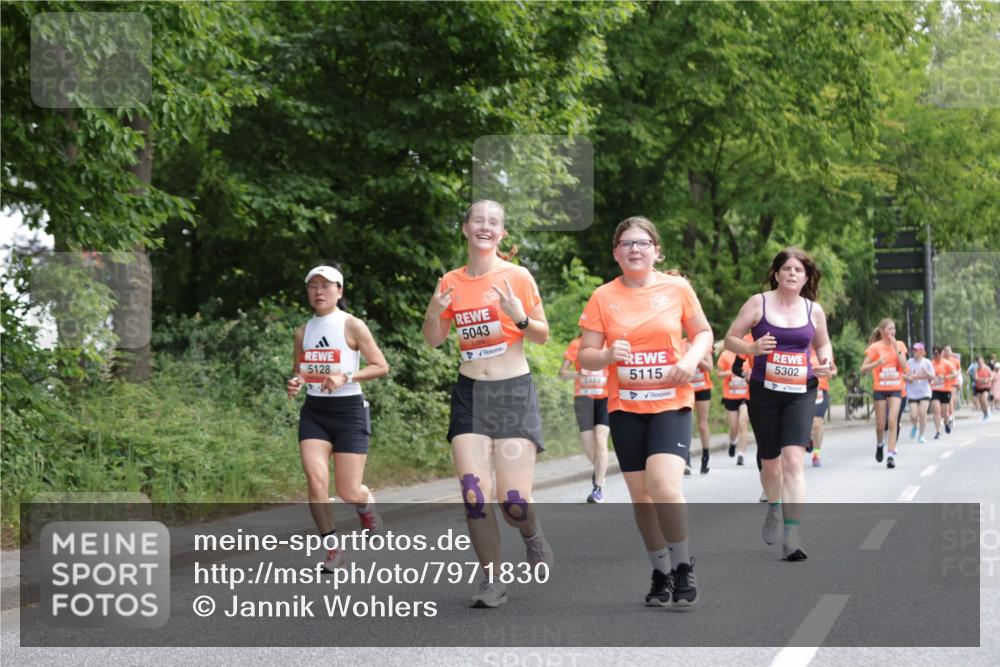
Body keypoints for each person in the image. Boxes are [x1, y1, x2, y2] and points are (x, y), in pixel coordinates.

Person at [422, 199, 552, 609]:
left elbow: (542, 335)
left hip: (513, 392)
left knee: (512, 501)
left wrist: (519, 316)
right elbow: (434, 339)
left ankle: (531, 534)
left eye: (493, 221)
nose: (485, 226)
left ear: (502, 233)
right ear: (465, 228)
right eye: (478, 219)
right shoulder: (450, 281)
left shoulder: (517, 276)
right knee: (474, 494)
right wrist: (432, 312)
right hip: (470, 394)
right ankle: (492, 580)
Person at [577, 216, 713, 607]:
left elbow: (702, 332)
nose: (635, 249)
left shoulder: (677, 288)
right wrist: (605, 354)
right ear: (616, 253)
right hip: (626, 406)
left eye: (642, 243)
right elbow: (587, 356)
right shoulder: (603, 297)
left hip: (671, 401)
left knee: (664, 485)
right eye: (626, 244)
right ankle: (661, 571)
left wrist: (689, 358)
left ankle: (684, 564)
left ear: (656, 250)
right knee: (641, 497)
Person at [725, 247, 833, 562]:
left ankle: (793, 534)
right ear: (776, 274)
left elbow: (823, 342)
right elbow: (730, 338)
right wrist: (752, 347)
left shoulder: (814, 310)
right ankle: (774, 506)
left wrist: (825, 359)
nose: (792, 274)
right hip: (764, 392)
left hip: (801, 391)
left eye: (798, 270)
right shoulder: (757, 303)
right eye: (786, 269)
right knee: (770, 465)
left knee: (794, 462)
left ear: (805, 278)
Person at [287, 263, 390, 573]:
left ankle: (364, 503)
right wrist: (296, 382)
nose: (319, 291)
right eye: (313, 286)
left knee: (348, 491)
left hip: (348, 412)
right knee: (316, 481)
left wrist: (347, 376)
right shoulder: (302, 332)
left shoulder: (353, 325)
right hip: (315, 413)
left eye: (326, 285)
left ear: (339, 291)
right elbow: (300, 371)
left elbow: (380, 366)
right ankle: (333, 549)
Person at [560, 334, 610, 501]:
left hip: (605, 399)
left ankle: (598, 487)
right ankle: (599, 471)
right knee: (589, 447)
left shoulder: (609, 345)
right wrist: (579, 375)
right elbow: (562, 373)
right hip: (583, 399)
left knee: (601, 440)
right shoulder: (576, 344)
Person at [860, 319, 907, 469]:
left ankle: (891, 455)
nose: (892, 332)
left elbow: (905, 367)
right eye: (889, 329)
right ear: (881, 331)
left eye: (894, 329)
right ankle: (880, 444)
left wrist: (896, 348)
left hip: (896, 388)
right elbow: (863, 369)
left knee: (892, 420)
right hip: (880, 389)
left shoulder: (899, 345)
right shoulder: (875, 347)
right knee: (880, 425)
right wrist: (877, 363)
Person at [717, 338, 752, 466]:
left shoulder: (748, 355)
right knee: (734, 427)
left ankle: (741, 454)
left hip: (745, 395)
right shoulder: (726, 355)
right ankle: (733, 442)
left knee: (743, 423)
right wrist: (731, 372)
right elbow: (719, 374)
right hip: (730, 396)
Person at [689, 343, 715, 475]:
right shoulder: (681, 343)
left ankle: (705, 456)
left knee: (702, 424)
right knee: (687, 423)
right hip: (686, 389)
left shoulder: (703, 344)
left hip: (703, 388)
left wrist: (695, 357)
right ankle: (685, 458)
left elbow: (710, 367)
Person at [808, 348, 837, 466]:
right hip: (804, 390)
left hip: (821, 391)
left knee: (817, 423)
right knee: (806, 423)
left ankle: (816, 454)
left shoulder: (823, 350)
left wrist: (831, 373)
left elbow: (834, 369)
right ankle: (809, 438)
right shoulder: (802, 346)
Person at [905, 342, 934, 443]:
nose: (914, 351)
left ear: (921, 351)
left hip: (924, 392)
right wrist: (908, 378)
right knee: (913, 415)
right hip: (912, 392)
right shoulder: (909, 362)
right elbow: (903, 375)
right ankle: (914, 425)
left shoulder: (927, 362)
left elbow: (933, 376)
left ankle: (921, 435)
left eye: (916, 350)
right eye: (913, 349)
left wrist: (927, 373)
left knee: (922, 413)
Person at [929, 346, 956, 439]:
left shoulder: (947, 364)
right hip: (935, 389)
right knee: (936, 410)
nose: (936, 355)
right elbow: (927, 375)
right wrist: (930, 379)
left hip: (946, 389)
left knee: (944, 412)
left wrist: (944, 377)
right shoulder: (930, 364)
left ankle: (946, 422)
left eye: (938, 353)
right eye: (934, 354)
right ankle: (938, 431)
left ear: (941, 354)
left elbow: (954, 374)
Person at [943, 345, 961, 431]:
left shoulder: (955, 361)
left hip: (953, 383)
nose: (947, 352)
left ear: (951, 351)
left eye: (949, 350)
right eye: (945, 350)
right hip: (944, 384)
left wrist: (959, 381)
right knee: (946, 403)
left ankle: (951, 417)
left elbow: (959, 371)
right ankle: (947, 416)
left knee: (951, 401)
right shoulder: (942, 360)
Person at [972, 354, 992, 420]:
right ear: (977, 362)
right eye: (978, 362)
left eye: (981, 361)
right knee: (981, 402)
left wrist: (987, 380)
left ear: (983, 361)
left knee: (984, 399)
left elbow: (991, 376)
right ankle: (985, 414)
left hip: (986, 387)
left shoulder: (987, 368)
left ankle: (988, 410)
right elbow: (975, 378)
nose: (980, 363)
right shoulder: (976, 369)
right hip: (978, 387)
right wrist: (984, 379)